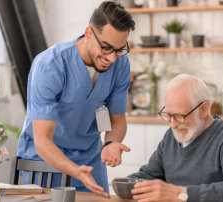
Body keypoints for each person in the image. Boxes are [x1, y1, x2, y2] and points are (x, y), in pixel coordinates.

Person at [17, 1, 135, 198]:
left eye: (119, 49)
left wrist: (111, 143)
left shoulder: (120, 65)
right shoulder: (50, 66)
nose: (112, 58)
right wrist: (74, 170)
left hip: (89, 158)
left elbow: (117, 120)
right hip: (45, 159)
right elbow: (43, 141)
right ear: (88, 33)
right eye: (106, 47)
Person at [127, 74, 223, 202]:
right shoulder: (172, 135)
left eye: (180, 115)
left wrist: (180, 194)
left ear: (203, 109)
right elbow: (148, 176)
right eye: (168, 115)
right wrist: (119, 184)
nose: (173, 124)